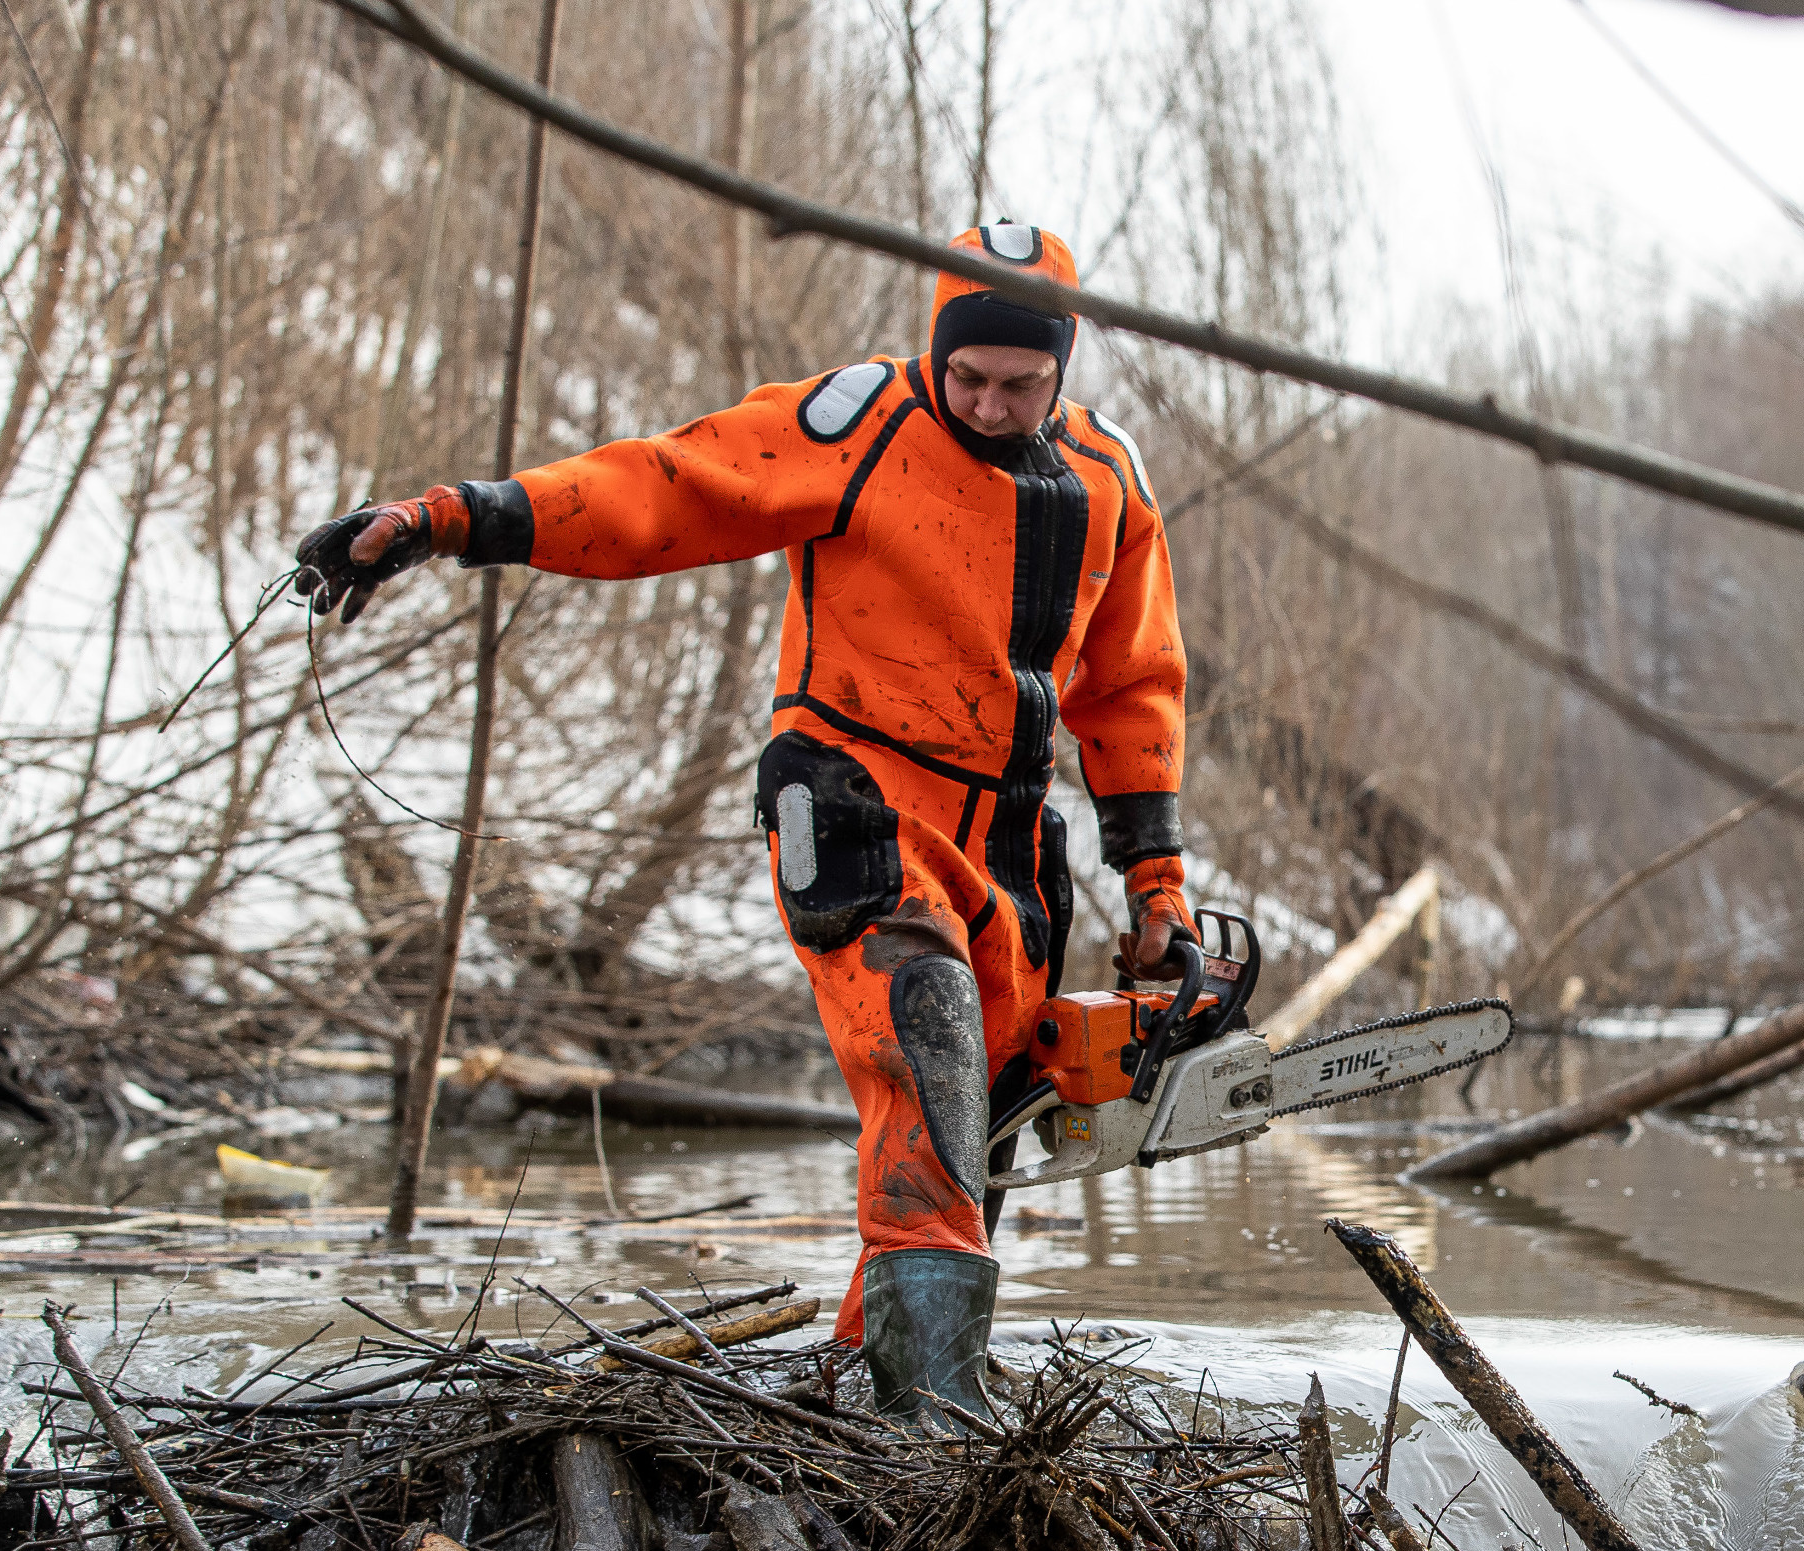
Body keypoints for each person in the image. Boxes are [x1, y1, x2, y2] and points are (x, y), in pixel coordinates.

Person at [291, 221, 1192, 1426]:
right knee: (925, 1050)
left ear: (1065, 362)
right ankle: (931, 1420)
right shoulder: (861, 423)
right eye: (965, 377)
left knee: (973, 1137)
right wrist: (454, 517)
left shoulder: (1109, 483)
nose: (984, 405)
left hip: (1012, 844)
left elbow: (1132, 692)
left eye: (1017, 385)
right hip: (858, 797)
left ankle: (873, 1392)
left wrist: (1159, 893)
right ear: (936, 351)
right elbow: (663, 489)